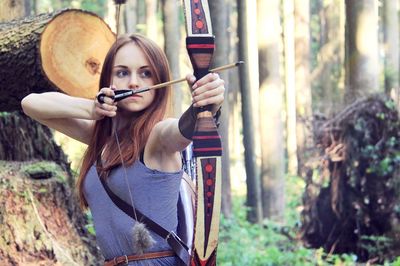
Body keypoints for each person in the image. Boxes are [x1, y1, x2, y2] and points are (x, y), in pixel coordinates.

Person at [21, 34, 225, 265]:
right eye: (122, 72)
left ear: (160, 80)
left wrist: (203, 108)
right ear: (109, 80)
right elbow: (30, 104)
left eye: (145, 73)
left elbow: (183, 129)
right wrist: (92, 109)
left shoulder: (157, 139)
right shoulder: (101, 138)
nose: (134, 82)